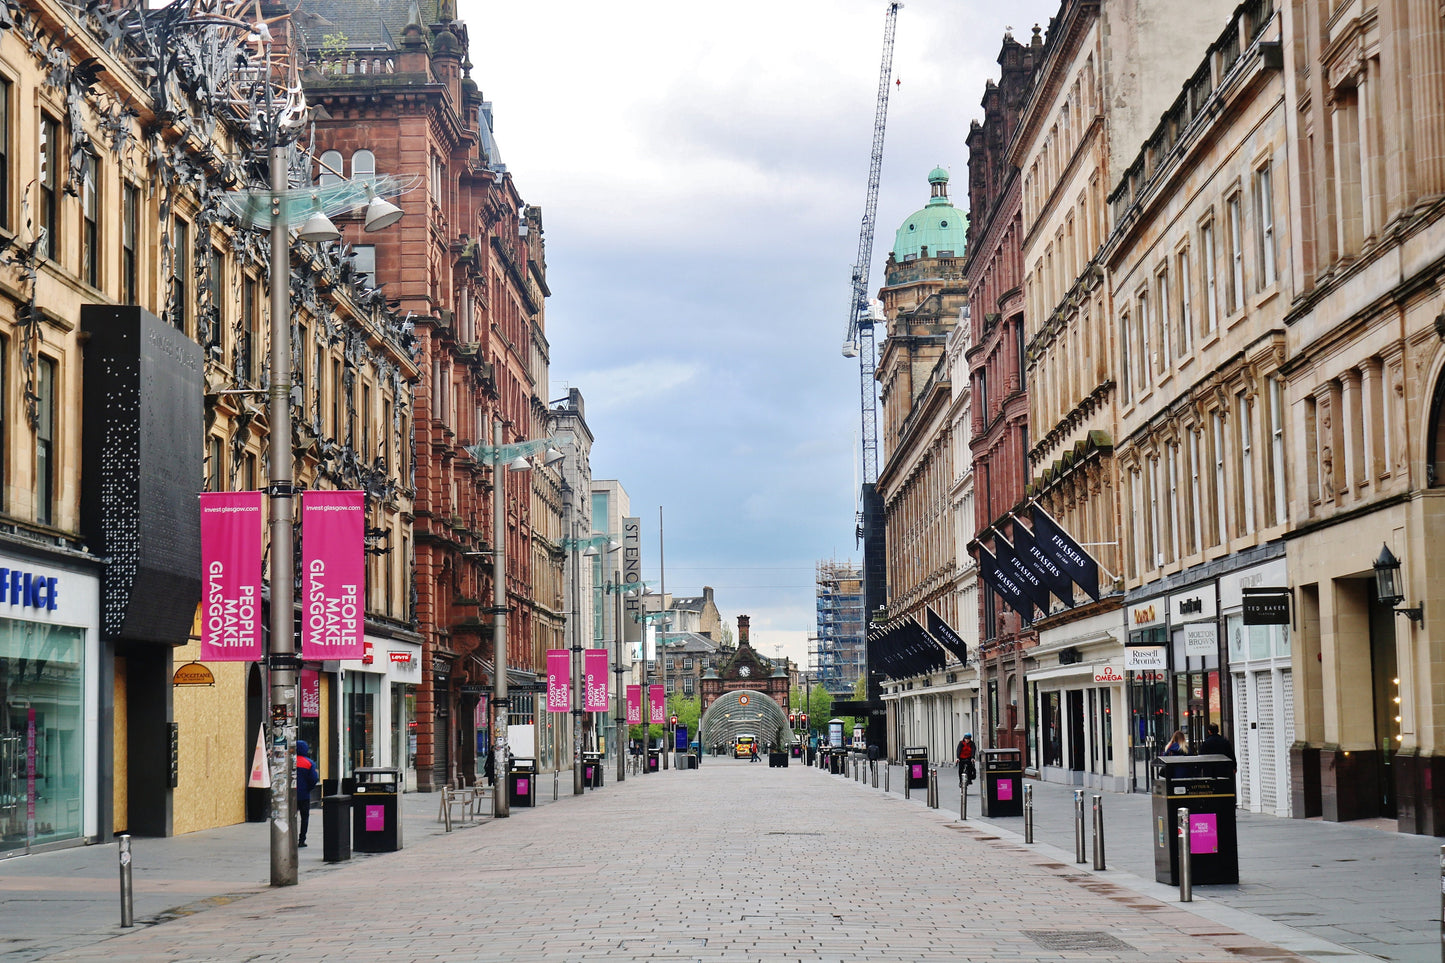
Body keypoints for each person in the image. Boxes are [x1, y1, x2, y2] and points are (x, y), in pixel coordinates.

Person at [295, 740, 318, 848]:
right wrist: (308, 789)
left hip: (291, 795)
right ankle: (302, 839)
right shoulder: (309, 763)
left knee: (290, 817)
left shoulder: (290, 762)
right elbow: (314, 779)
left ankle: (288, 837)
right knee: (304, 817)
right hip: (304, 795)